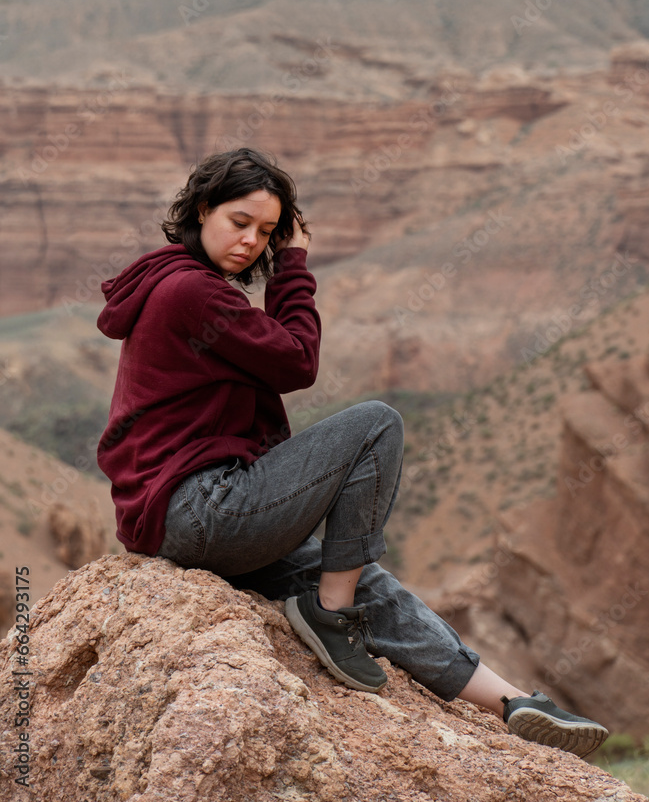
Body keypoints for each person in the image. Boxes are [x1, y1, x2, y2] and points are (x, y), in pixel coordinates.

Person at [97, 147, 608, 760]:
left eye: (266, 233)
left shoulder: (178, 281)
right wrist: (293, 266)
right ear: (202, 209)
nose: (251, 243)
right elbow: (297, 361)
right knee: (375, 425)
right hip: (201, 509)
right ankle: (328, 616)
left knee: (367, 578)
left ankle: (511, 703)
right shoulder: (190, 291)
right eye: (240, 223)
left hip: (191, 520)